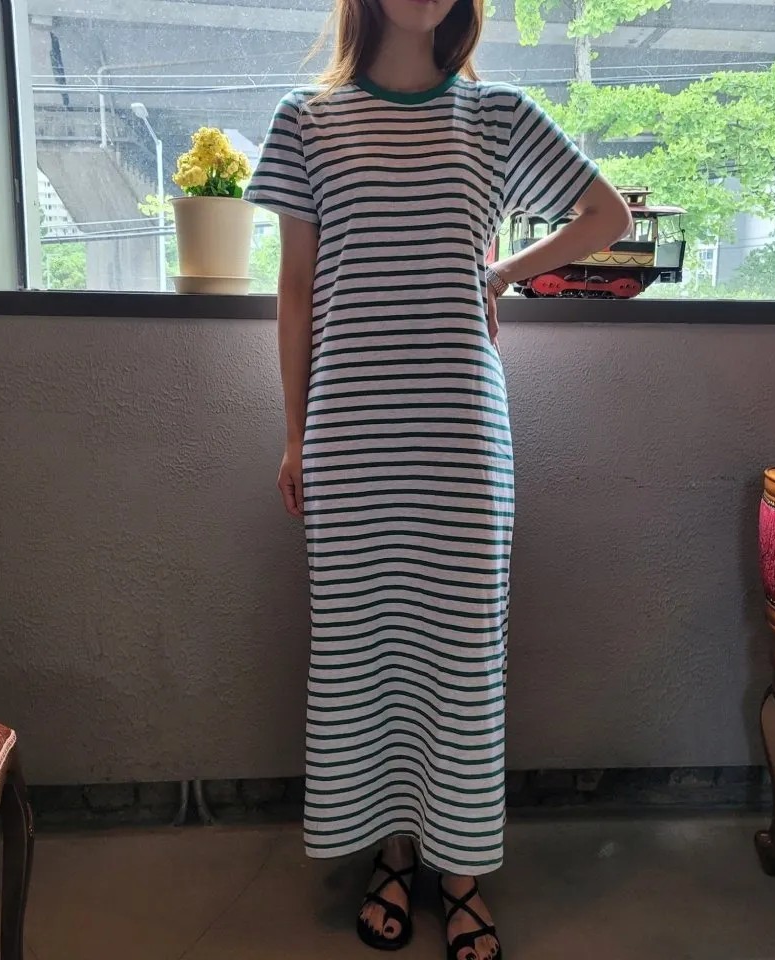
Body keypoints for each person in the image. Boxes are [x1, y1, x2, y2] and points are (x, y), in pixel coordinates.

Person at [244, 0, 632, 954]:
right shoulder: (306, 118)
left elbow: (608, 216)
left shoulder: (495, 115)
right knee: (361, 650)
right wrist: (294, 436)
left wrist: (498, 275)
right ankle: (388, 849)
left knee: (462, 658)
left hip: (461, 437)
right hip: (348, 434)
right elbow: (295, 292)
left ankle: (459, 868)